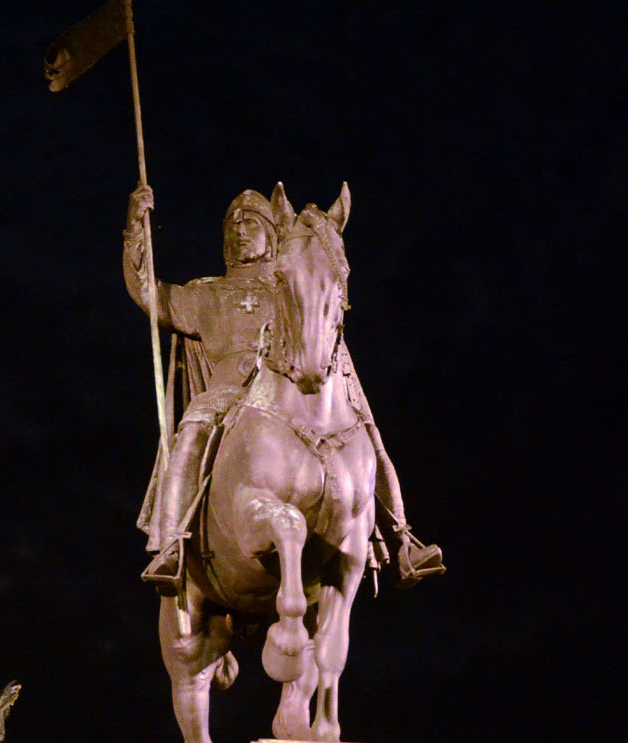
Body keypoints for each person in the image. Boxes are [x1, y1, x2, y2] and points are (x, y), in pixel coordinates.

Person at [124, 183, 443, 591]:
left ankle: (401, 538)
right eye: (233, 225)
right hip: (227, 394)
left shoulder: (290, 286)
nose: (240, 231)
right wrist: (135, 228)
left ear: (272, 234)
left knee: (366, 434)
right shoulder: (204, 294)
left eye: (252, 224)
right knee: (190, 433)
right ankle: (171, 545)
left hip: (290, 393)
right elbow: (148, 293)